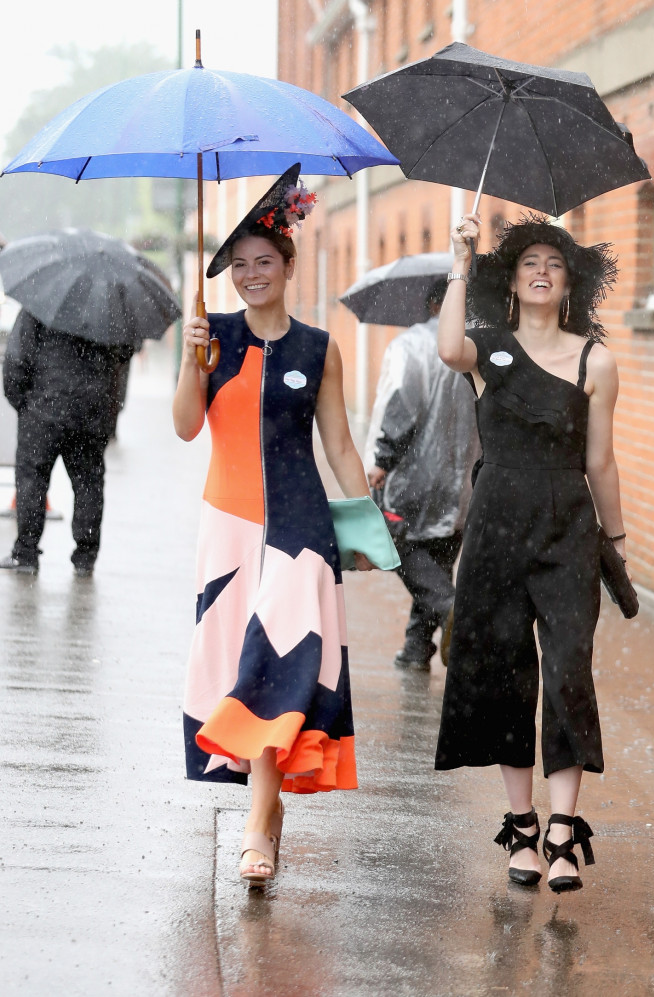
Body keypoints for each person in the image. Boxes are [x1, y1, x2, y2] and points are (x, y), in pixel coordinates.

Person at [174, 164, 375, 887]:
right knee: (236, 668)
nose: (252, 274)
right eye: (240, 266)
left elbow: (342, 446)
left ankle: (258, 823)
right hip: (227, 530)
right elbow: (185, 427)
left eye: (265, 262)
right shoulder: (212, 335)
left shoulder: (320, 348)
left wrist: (372, 531)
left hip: (299, 533)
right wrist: (191, 362)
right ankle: (267, 808)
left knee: (273, 668)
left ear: (288, 265)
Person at [435, 212, 627, 894]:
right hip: (496, 522)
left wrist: (617, 539)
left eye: (554, 262)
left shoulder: (593, 359)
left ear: (569, 282)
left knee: (569, 666)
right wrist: (461, 261)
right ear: (512, 280)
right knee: (504, 667)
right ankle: (521, 824)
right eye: (528, 263)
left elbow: (600, 461)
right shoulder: (486, 349)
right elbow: (446, 346)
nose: (541, 270)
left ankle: (564, 830)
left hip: (568, 524)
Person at [365, 279, 479, 670]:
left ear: (432, 304)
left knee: (400, 547)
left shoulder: (411, 345)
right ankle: (417, 649)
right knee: (438, 559)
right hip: (464, 479)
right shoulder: (478, 347)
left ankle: (454, 609)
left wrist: (382, 459)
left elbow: (402, 406)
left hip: (414, 475)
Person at [1, 309, 132, 576]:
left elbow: (15, 359)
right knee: (89, 484)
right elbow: (125, 352)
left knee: (32, 479)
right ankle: (85, 556)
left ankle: (26, 553)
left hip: (42, 410)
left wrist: (24, 404)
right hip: (90, 413)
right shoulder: (108, 308)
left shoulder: (40, 303)